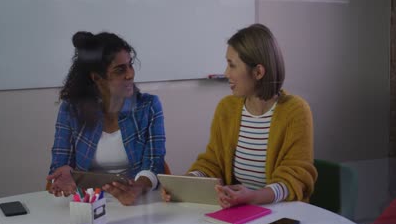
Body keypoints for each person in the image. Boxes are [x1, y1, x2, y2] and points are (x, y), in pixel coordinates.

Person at [162, 24, 317, 208]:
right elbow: (212, 163)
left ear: (258, 72)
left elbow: (295, 177)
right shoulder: (226, 108)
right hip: (239, 211)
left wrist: (254, 197)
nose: (227, 73)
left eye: (232, 65)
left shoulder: (295, 110)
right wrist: (186, 183)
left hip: (281, 213)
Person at [47, 31, 166, 205]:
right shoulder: (71, 109)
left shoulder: (148, 106)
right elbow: (60, 162)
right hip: (87, 202)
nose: (130, 74)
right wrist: (63, 172)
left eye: (130, 65)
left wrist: (137, 188)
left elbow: (154, 163)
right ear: (96, 78)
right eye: (120, 70)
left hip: (134, 202)